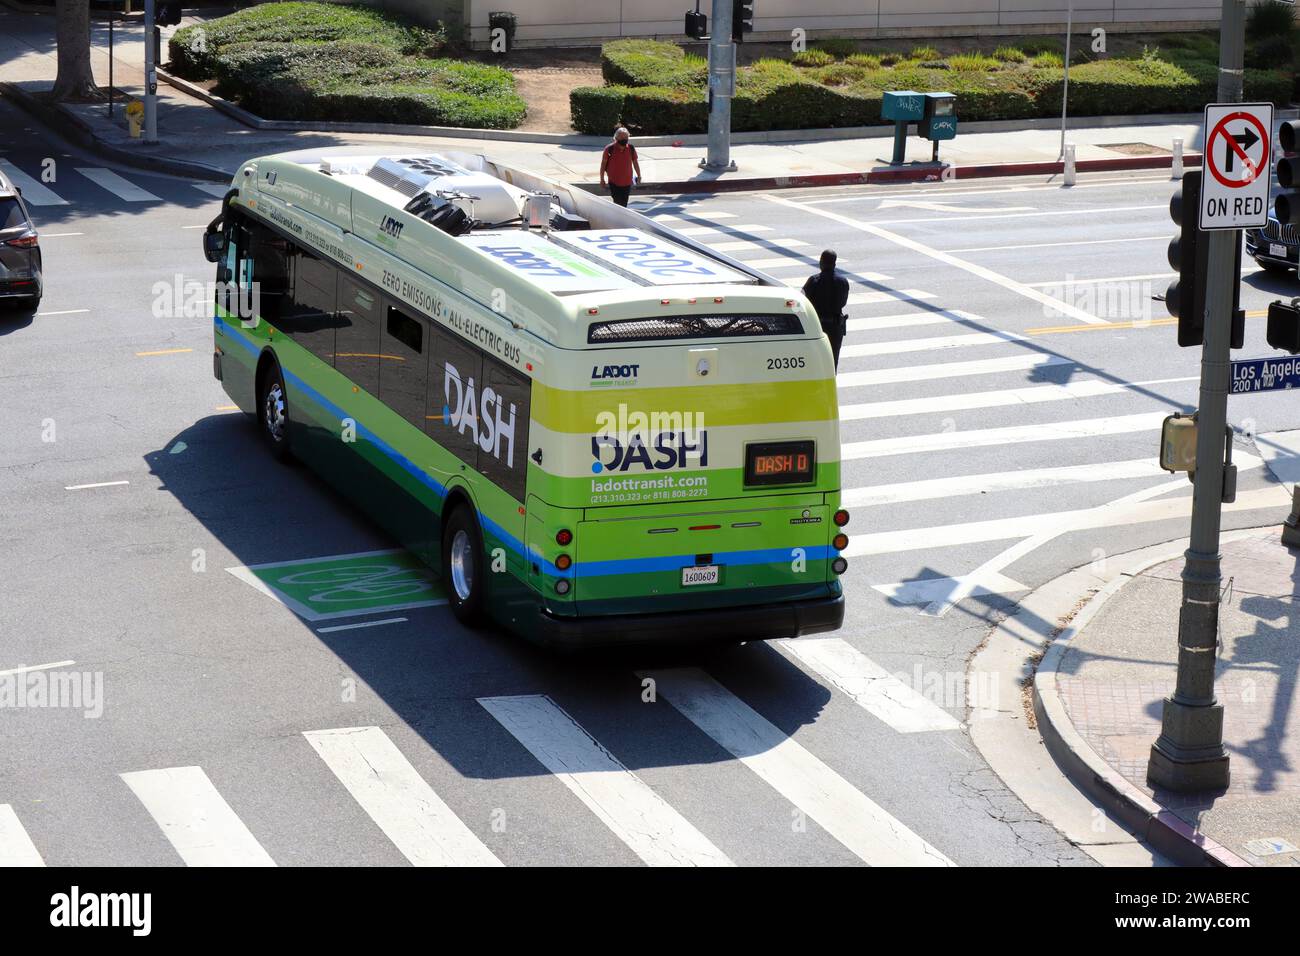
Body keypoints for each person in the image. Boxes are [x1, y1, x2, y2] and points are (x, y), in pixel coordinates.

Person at [802, 249, 850, 368]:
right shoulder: (843, 281)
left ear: (821, 262)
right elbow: (843, 303)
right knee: (832, 362)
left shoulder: (813, 280)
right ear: (834, 264)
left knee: (815, 362)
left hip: (817, 326)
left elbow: (802, 302)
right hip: (835, 327)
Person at [600, 127, 641, 207]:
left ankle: (620, 218)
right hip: (614, 182)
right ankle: (618, 218)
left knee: (624, 204)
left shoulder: (631, 148)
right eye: (622, 137)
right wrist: (602, 179)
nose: (624, 139)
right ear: (616, 138)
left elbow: (635, 162)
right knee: (618, 203)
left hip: (627, 182)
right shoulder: (609, 149)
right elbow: (603, 164)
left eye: (626, 137)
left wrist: (639, 175)